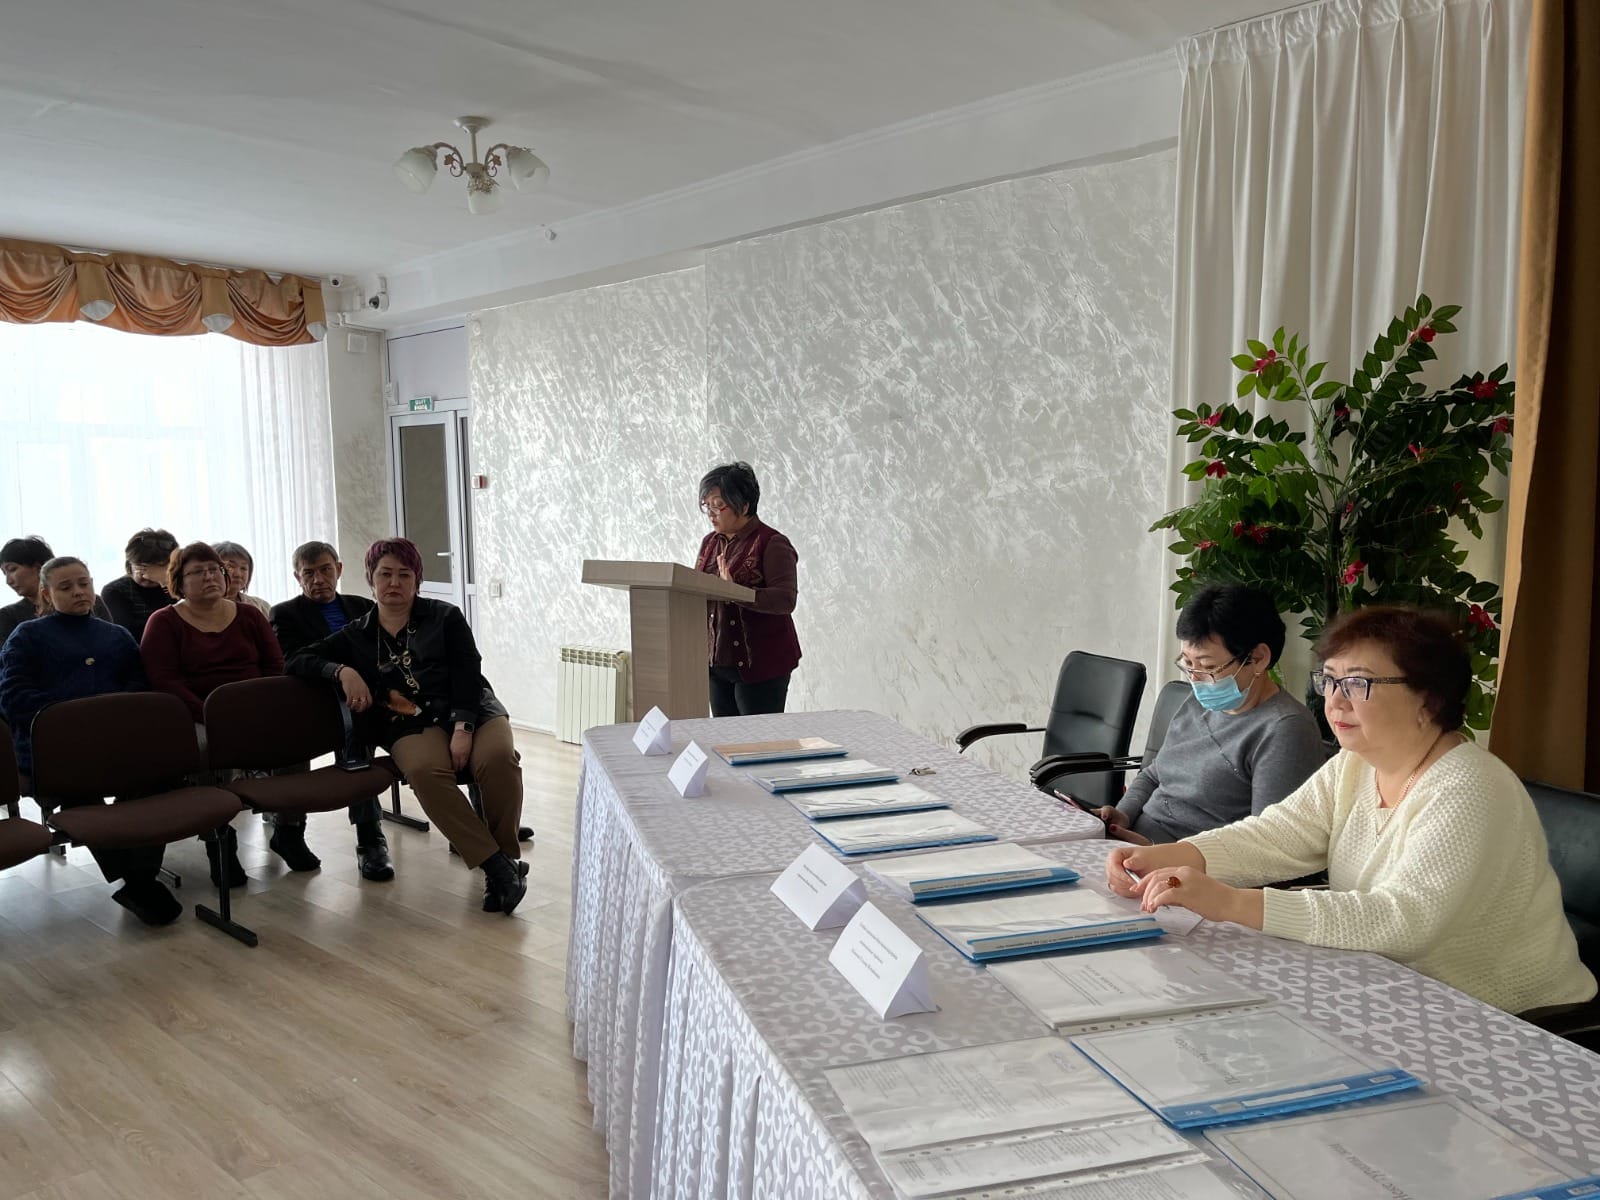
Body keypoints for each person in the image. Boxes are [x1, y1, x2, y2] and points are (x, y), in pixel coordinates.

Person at [1107, 604, 1597, 1015]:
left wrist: (1231, 903)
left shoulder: (1469, 786)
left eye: (1358, 684)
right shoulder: (1356, 763)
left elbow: (1404, 920)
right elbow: (1278, 834)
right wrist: (1170, 856)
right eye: (1330, 681)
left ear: (1428, 698)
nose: (1335, 703)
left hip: (1507, 1015)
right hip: (1396, 987)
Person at [286, 538, 528, 915]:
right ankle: (497, 867)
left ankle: (505, 862)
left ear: (418, 580)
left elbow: (468, 674)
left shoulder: (445, 616)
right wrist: (342, 671)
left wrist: (463, 729)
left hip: (473, 709)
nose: (394, 583)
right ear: (370, 579)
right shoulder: (357, 633)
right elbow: (296, 659)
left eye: (404, 574)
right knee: (423, 770)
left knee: (498, 759)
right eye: (385, 574)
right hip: (409, 721)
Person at [0, 557, 173, 923]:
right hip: (57, 747)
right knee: (78, 792)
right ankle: (139, 882)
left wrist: (111, 715)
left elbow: (138, 685)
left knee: (157, 779)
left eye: (84, 583)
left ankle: (139, 878)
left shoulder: (116, 635)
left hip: (117, 741)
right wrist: (75, 718)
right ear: (46, 594)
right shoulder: (27, 636)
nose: (79, 592)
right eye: (66, 587)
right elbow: (14, 696)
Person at [1093, 584, 1326, 844]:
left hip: (1181, 862)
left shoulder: (1285, 730)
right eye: (1188, 663)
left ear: (1258, 658)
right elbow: (1154, 773)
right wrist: (1122, 816)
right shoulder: (1199, 701)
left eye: (1208, 666)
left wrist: (1154, 852)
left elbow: (1265, 847)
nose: (1195, 678)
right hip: (1133, 843)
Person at [140, 541, 310, 885]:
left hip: (254, 708)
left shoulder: (249, 615)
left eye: (214, 569)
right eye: (197, 572)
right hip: (196, 715)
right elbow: (165, 681)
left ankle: (289, 830)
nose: (210, 577)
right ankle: (220, 842)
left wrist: (260, 707)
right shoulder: (164, 622)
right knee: (207, 749)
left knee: (295, 739)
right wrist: (211, 714)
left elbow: (274, 665)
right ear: (179, 582)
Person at [270, 539, 391, 882]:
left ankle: (485, 825)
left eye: (325, 570)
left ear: (338, 570)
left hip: (370, 695)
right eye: (309, 573)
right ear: (297, 577)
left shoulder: (362, 606)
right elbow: (294, 661)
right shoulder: (285, 613)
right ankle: (370, 839)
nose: (318, 579)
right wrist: (340, 671)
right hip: (318, 698)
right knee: (357, 730)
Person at [693, 462, 801, 717]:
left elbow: (785, 599)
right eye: (707, 506)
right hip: (717, 663)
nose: (711, 514)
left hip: (762, 666)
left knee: (758, 738)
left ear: (743, 505)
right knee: (724, 738)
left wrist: (736, 591)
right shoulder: (710, 543)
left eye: (718, 505)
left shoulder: (772, 543)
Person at [0, 535, 111, 642]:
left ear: (38, 568)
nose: (8, 581)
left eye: (12, 569)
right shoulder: (8, 616)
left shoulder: (90, 601)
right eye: (5, 573)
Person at [101, 528, 178, 641]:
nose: (148, 575)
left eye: (157, 567)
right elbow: (126, 633)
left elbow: (187, 620)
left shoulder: (178, 586)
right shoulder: (115, 590)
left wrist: (165, 583)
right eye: (142, 567)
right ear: (130, 564)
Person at [212, 541, 272, 617]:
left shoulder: (261, 606)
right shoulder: (202, 607)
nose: (238, 574)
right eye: (230, 567)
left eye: (243, 568)